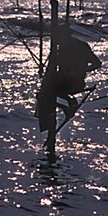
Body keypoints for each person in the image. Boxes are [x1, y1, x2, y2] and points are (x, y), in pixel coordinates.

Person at [36, 24, 101, 155]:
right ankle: (67, 104)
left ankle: (67, 105)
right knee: (44, 92)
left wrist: (80, 70)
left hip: (73, 83)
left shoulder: (78, 47)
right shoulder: (62, 48)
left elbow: (97, 63)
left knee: (45, 93)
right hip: (65, 82)